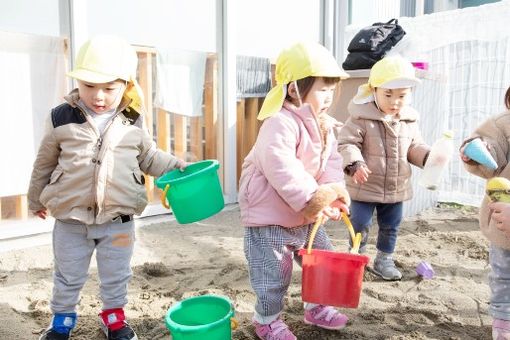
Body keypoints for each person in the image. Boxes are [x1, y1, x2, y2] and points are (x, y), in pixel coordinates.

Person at [28, 35, 187, 340]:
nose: (98, 96)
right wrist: (35, 198)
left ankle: (113, 318)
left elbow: (148, 157)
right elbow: (44, 163)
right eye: (89, 86)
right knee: (68, 274)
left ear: (125, 85)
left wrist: (175, 165)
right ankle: (62, 320)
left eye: (108, 88)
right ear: (78, 83)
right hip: (71, 219)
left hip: (118, 221)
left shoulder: (132, 119)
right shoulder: (61, 117)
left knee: (116, 273)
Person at [238, 41, 351, 340]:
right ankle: (266, 320)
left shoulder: (324, 125)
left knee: (322, 260)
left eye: (331, 89)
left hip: (305, 215)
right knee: (274, 274)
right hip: (270, 218)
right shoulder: (279, 123)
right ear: (294, 90)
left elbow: (331, 162)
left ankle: (316, 306)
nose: (328, 97)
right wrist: (313, 201)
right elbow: (282, 168)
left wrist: (334, 196)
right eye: (321, 89)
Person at [337, 56, 430, 281]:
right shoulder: (361, 117)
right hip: (364, 184)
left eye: (402, 96)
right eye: (388, 94)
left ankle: (384, 259)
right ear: (374, 91)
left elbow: (414, 146)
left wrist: (428, 157)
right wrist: (355, 163)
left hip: (394, 186)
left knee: (391, 226)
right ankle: (356, 255)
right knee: (360, 223)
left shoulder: (409, 120)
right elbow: (347, 143)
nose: (395, 101)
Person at [460, 86, 510, 340]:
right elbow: (489, 148)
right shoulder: (503, 124)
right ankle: (503, 321)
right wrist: (478, 151)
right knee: (503, 275)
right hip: (504, 220)